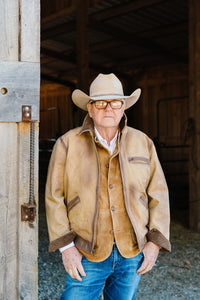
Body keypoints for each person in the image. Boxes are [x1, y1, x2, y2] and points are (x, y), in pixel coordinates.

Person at [45, 73, 171, 300]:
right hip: (85, 252)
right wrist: (66, 248)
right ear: (90, 109)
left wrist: (154, 243)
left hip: (132, 251)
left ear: (123, 107)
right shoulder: (67, 144)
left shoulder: (143, 142)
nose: (108, 108)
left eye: (115, 102)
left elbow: (159, 194)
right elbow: (54, 197)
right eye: (101, 103)